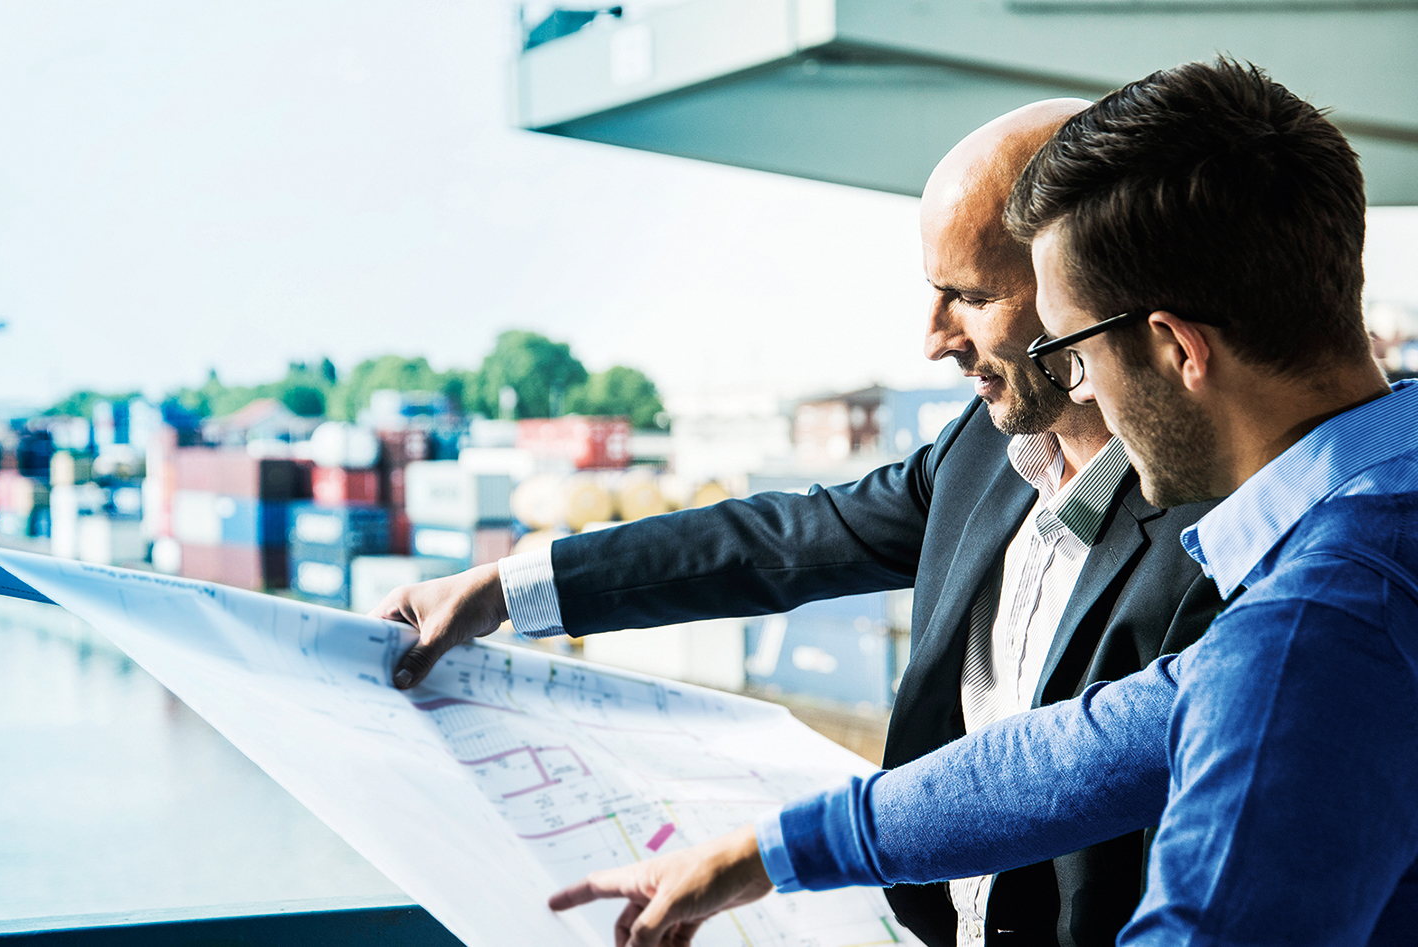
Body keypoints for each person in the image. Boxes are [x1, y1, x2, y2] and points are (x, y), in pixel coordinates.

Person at [547, 59, 1418, 947]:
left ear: (1176, 348)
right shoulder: (1382, 515)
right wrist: (770, 851)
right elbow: (1086, 749)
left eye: (1075, 349)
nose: (1080, 387)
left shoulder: (1318, 623)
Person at [377, 101, 1224, 947]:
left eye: (968, 295)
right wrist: (505, 590)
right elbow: (782, 541)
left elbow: (1076, 782)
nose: (933, 339)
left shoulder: (1223, 533)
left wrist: (774, 852)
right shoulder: (980, 448)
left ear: (1080, 292)